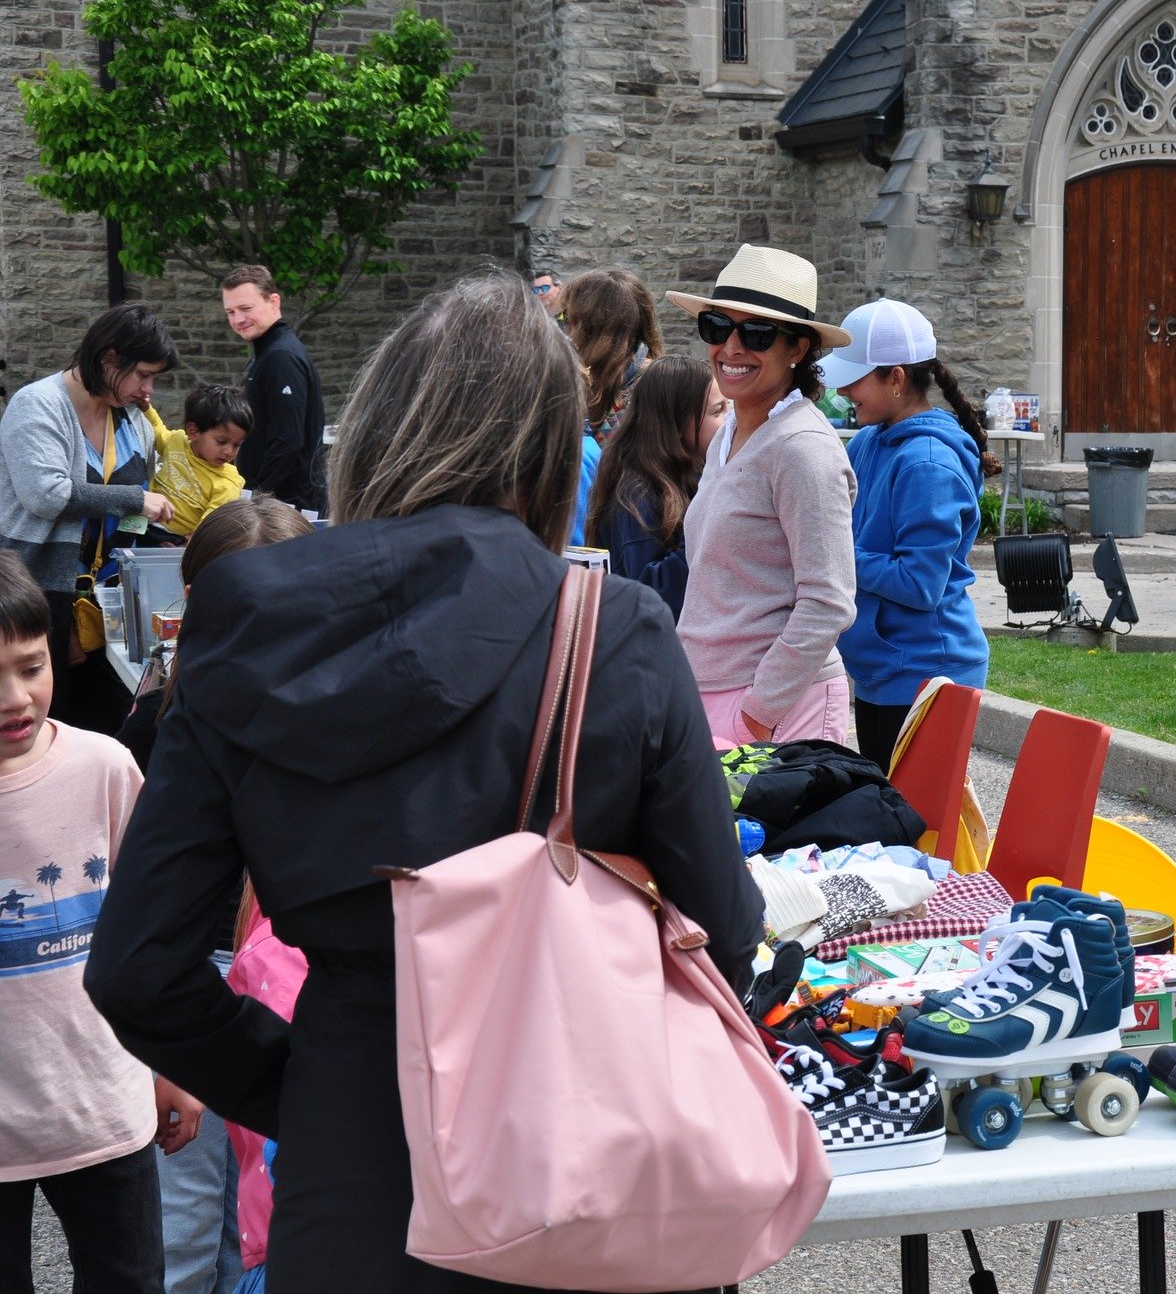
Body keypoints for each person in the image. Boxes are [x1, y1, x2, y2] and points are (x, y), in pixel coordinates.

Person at [82, 272, 764, 1294]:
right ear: (545, 451)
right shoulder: (609, 629)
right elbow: (725, 927)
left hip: (354, 1164)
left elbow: (139, 966)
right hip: (579, 1154)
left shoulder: (244, 616)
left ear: (380, 426)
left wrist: (311, 1079)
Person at [112, 498, 312, 1294]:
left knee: (262, 1226)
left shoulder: (331, 715)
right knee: (190, 1231)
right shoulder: (163, 724)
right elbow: (141, 906)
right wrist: (173, 1055)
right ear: (196, 603)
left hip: (288, 984)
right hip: (202, 984)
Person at [0, 549, 198, 1294]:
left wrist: (174, 1066)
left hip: (101, 1106)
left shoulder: (105, 768)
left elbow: (156, 933)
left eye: (31, 665)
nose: (15, 697)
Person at [665, 245, 857, 745]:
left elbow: (829, 600)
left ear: (797, 350)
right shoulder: (731, 433)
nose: (730, 348)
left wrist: (758, 711)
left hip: (776, 707)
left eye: (756, 333)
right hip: (715, 693)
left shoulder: (802, 448)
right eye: (716, 327)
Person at [821, 298, 993, 768]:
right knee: (892, 819)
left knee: (915, 826)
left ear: (895, 378)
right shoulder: (871, 440)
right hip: (886, 667)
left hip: (928, 674)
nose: (841, 391)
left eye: (854, 379)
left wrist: (835, 559)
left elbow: (920, 583)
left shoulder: (928, 464)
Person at [0, 302, 176, 730]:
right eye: (143, 374)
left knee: (109, 723)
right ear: (109, 358)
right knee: (50, 723)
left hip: (114, 600)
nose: (147, 389)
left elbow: (133, 501)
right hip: (44, 594)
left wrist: (160, 540)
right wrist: (137, 501)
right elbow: (46, 493)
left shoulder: (132, 417)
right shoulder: (37, 404)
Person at [587, 356, 726, 619]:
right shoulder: (635, 495)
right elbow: (651, 591)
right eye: (717, 412)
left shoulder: (691, 476)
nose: (729, 421)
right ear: (676, 425)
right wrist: (707, 526)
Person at [221, 265, 325, 513]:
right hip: (279, 505)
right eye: (230, 312)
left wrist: (255, 500)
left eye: (246, 308)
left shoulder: (281, 357)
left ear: (274, 301)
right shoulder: (269, 353)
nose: (238, 319)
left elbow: (287, 441)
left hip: (289, 509)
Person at [562, 268, 664, 446]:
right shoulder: (658, 377)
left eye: (567, 317)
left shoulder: (652, 387)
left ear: (587, 327)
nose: (566, 328)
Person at [146, 385, 254, 540]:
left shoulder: (228, 482)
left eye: (237, 444)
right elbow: (156, 428)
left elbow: (210, 525)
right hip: (143, 521)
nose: (229, 452)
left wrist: (186, 546)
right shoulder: (177, 442)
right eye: (222, 441)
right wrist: (145, 407)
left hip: (173, 539)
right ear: (194, 432)